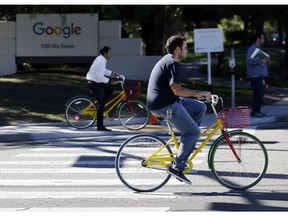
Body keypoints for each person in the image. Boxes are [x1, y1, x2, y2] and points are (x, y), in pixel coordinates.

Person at [146, 35, 211, 185]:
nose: (187, 50)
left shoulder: (169, 60)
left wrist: (198, 96)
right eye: (186, 47)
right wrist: (197, 93)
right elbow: (176, 90)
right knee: (194, 132)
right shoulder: (171, 63)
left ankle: (187, 142)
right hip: (164, 106)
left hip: (169, 101)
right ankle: (177, 167)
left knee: (200, 107)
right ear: (178, 49)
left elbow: (175, 92)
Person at [86, 46, 120, 131]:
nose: (111, 54)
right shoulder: (100, 61)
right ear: (105, 53)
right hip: (94, 83)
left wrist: (113, 73)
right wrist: (110, 81)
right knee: (101, 105)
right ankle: (100, 126)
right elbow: (100, 76)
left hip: (96, 81)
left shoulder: (101, 59)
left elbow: (103, 71)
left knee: (109, 90)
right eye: (110, 52)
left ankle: (101, 104)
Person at [246, 33, 271, 117]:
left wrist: (266, 61)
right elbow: (249, 61)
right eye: (263, 39)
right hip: (255, 76)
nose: (264, 41)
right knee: (258, 94)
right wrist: (261, 61)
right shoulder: (252, 49)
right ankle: (255, 111)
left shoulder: (259, 49)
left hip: (261, 75)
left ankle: (258, 110)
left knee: (260, 94)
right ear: (258, 39)